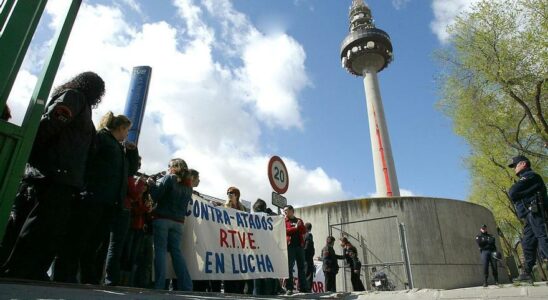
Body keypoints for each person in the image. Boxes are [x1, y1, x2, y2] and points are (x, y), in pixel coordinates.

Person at [0, 72, 105, 280]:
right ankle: (19, 269)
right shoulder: (74, 97)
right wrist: (32, 157)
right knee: (36, 225)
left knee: (47, 228)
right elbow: (50, 124)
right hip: (50, 174)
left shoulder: (80, 105)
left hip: (59, 176)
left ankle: (29, 269)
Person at [53, 112, 132, 284]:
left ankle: (88, 277)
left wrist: (132, 154)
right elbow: (87, 161)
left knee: (94, 242)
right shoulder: (102, 139)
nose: (127, 134)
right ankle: (64, 274)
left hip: (108, 201)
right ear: (121, 128)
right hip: (94, 196)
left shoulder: (118, 147)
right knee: (79, 237)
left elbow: (125, 173)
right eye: (127, 130)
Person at [148, 158, 193, 291]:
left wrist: (151, 184)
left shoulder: (169, 178)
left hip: (162, 218)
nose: (168, 169)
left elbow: (155, 195)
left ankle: (160, 285)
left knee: (160, 251)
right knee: (176, 253)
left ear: (174, 167)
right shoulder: (188, 185)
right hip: (178, 222)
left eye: (169, 166)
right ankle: (186, 285)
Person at [507, 155, 548, 282]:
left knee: (543, 237)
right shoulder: (526, 179)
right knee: (527, 242)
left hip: (536, 213)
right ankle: (527, 272)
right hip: (529, 216)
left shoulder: (531, 176)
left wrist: (519, 195)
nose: (514, 168)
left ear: (523, 164)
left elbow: (513, 192)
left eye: (515, 165)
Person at [223, 186, 248, 294]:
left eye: (231, 192)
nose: (229, 194)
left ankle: (240, 291)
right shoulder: (224, 207)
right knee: (229, 265)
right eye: (227, 192)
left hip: (240, 242)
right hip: (228, 241)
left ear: (237, 195)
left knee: (240, 265)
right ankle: (229, 290)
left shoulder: (243, 209)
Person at [283, 205, 308, 294]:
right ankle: (289, 288)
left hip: (299, 247)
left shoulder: (299, 220)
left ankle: (303, 287)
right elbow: (286, 231)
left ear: (292, 211)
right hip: (290, 247)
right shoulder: (284, 221)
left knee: (301, 267)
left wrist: (299, 227)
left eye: (286, 210)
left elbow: (304, 231)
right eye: (284, 211)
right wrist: (296, 228)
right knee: (289, 267)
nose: (285, 212)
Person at [303, 222, 315, 292]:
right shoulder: (308, 235)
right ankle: (308, 288)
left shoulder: (303, 235)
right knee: (309, 273)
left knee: (304, 272)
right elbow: (307, 247)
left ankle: (304, 287)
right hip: (308, 258)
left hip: (304, 257)